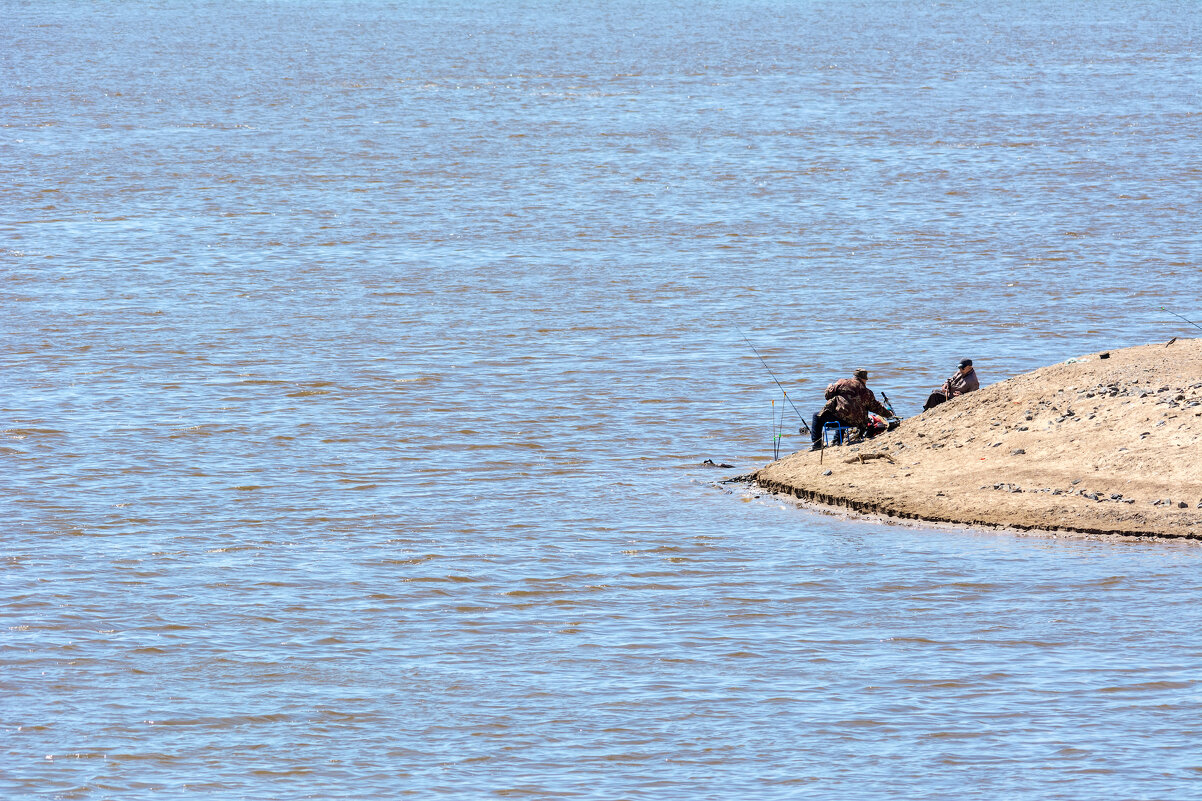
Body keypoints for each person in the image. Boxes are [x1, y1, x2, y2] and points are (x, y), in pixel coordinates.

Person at [809, 369, 892, 451]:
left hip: (842, 420)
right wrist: (889, 414)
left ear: (854, 376)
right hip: (859, 423)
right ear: (864, 379)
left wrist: (829, 387)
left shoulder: (842, 383)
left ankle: (817, 444)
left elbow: (827, 396)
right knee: (845, 410)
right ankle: (837, 440)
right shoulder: (867, 392)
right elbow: (876, 407)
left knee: (817, 416)